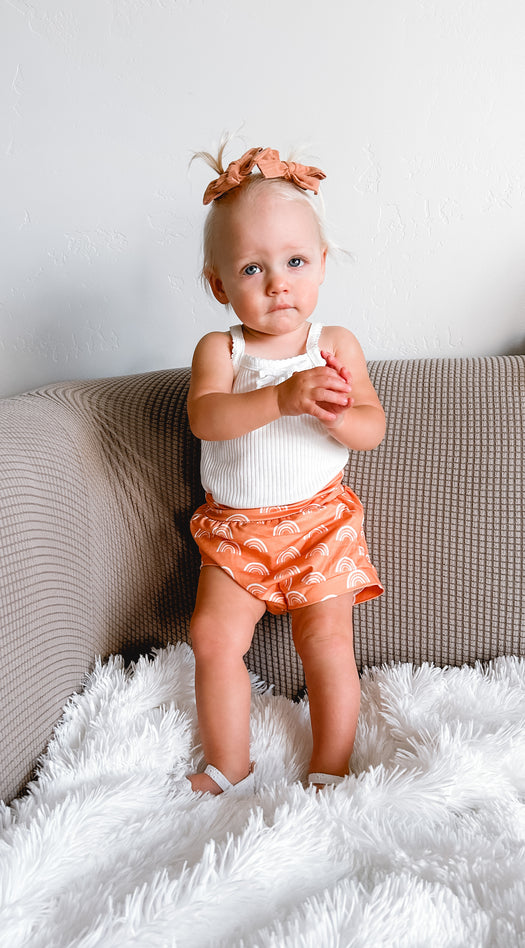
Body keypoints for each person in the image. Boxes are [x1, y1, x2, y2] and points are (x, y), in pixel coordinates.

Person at [186, 144, 385, 795]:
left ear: (321, 266)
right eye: (252, 268)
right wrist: (277, 398)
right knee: (211, 635)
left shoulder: (333, 345)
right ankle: (228, 764)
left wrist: (334, 416)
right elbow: (206, 418)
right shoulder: (222, 349)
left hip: (316, 525)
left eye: (295, 261)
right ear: (219, 285)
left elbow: (370, 428)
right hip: (237, 530)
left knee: (326, 640)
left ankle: (329, 766)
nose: (278, 283)